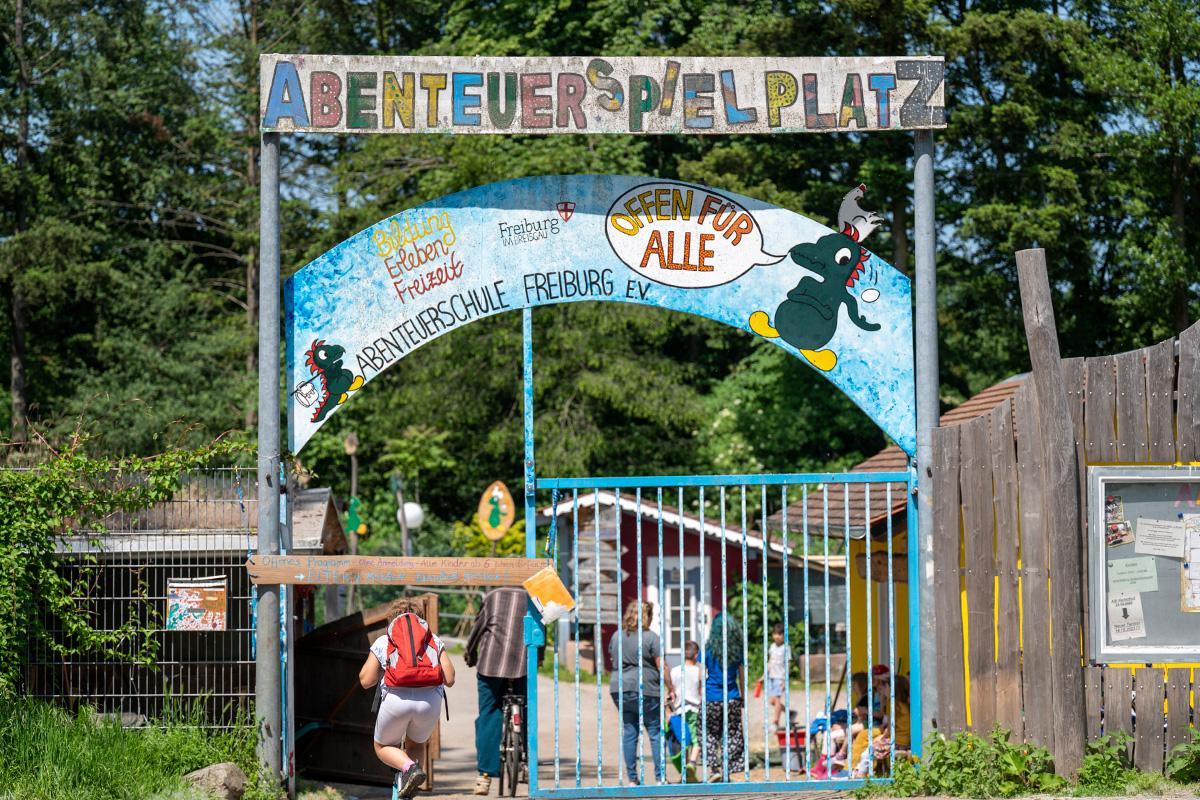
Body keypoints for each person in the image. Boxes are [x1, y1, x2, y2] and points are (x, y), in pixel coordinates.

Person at [359, 607, 455, 799]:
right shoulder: (433, 639)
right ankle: (408, 789)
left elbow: (365, 680)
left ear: (392, 620)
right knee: (416, 743)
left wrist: (385, 670)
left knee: (383, 747)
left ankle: (410, 768)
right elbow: (450, 678)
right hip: (428, 703)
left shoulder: (384, 640)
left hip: (396, 701)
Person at [465, 586, 528, 796]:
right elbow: (540, 628)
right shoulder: (531, 597)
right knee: (525, 710)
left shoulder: (492, 596)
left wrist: (469, 653)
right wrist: (540, 658)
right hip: (522, 665)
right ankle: (525, 763)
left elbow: (478, 628)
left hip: (491, 664)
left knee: (489, 714)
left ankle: (484, 776)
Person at [609, 600, 676, 784]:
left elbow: (613, 658)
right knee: (655, 732)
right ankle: (660, 778)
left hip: (619, 688)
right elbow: (662, 666)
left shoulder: (616, 636)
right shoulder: (651, 637)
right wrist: (671, 688)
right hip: (646, 689)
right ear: (648, 616)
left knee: (630, 731)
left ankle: (632, 779)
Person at [702, 611, 745, 780]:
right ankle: (728, 768)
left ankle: (714, 769)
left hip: (712, 697)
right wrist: (743, 696)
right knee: (732, 733)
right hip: (732, 696)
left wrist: (701, 693)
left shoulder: (708, 649)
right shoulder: (736, 650)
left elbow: (701, 672)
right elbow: (741, 674)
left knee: (708, 732)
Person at [668, 640, 703, 780]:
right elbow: (702, 690)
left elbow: (671, 691)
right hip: (695, 709)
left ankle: (685, 773)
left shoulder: (675, 670)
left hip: (678, 710)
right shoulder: (699, 670)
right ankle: (692, 764)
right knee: (697, 740)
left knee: (684, 741)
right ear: (696, 655)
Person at [766, 623, 791, 730]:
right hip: (771, 677)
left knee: (776, 700)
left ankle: (775, 723)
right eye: (775, 634)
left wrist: (785, 680)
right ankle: (789, 712)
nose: (777, 636)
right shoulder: (772, 646)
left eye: (779, 634)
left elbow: (788, 663)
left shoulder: (786, 647)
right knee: (772, 701)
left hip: (780, 677)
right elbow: (770, 661)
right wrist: (764, 675)